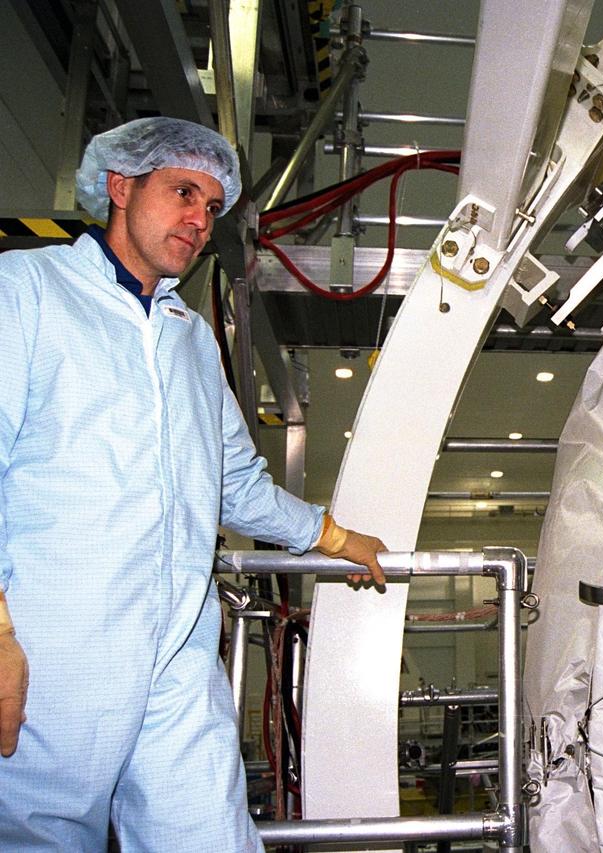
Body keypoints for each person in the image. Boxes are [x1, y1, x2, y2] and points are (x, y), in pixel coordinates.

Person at [0, 117, 387, 851]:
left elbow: (235, 482)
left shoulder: (189, 334)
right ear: (120, 186)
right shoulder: (25, 293)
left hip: (175, 654)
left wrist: (334, 535)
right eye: (182, 192)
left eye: (211, 207)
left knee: (208, 832)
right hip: (48, 659)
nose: (198, 219)